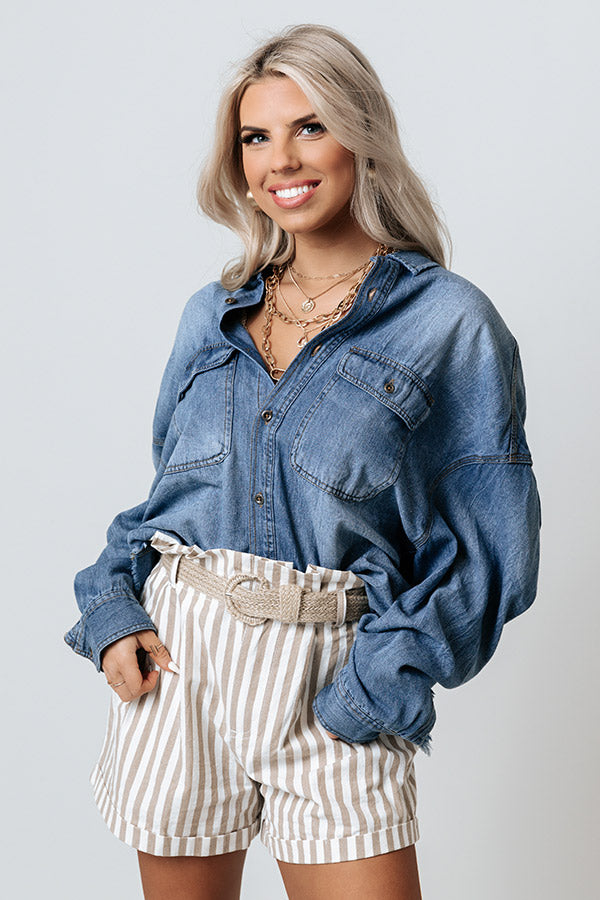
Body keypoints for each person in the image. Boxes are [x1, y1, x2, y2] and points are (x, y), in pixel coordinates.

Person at [64, 23, 541, 900]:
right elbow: (168, 499)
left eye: (310, 126)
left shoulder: (450, 324)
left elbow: (489, 555)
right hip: (179, 666)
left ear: (361, 134)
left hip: (333, 671)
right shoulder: (210, 314)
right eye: (256, 137)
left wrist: (374, 687)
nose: (280, 159)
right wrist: (112, 610)